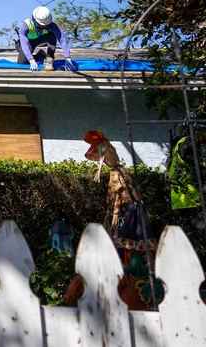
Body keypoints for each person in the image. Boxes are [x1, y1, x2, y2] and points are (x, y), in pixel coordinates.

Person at [65, 131, 160, 310]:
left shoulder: (116, 174)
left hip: (128, 213)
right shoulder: (120, 172)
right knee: (126, 243)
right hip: (131, 211)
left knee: (127, 244)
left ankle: (130, 273)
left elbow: (115, 196)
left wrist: (113, 213)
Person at [16, 5, 77, 72]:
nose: (46, 26)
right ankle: (40, 55)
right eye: (43, 25)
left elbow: (62, 39)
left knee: (52, 34)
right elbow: (25, 44)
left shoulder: (52, 25)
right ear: (35, 20)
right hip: (31, 41)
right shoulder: (25, 26)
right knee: (22, 62)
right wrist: (31, 60)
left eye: (47, 25)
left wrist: (68, 59)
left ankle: (49, 57)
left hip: (45, 38)